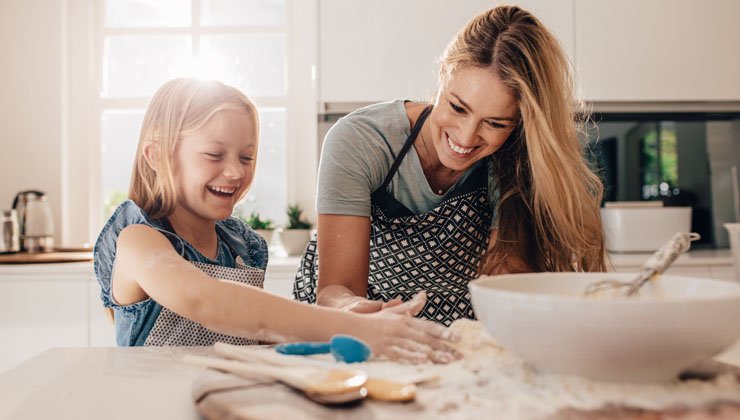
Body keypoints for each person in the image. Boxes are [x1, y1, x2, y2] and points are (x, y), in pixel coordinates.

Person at [93, 78, 458, 363]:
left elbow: (256, 333)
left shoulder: (242, 248)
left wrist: (352, 321)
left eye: (247, 157)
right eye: (214, 154)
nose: (235, 171)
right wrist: (354, 328)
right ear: (156, 155)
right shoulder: (137, 240)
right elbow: (205, 300)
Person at [293, 5, 607, 325]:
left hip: (454, 327)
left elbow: (504, 280)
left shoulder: (516, 162)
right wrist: (356, 311)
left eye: (495, 123)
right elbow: (337, 288)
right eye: (458, 107)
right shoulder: (361, 141)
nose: (466, 137)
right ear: (443, 74)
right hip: (342, 323)